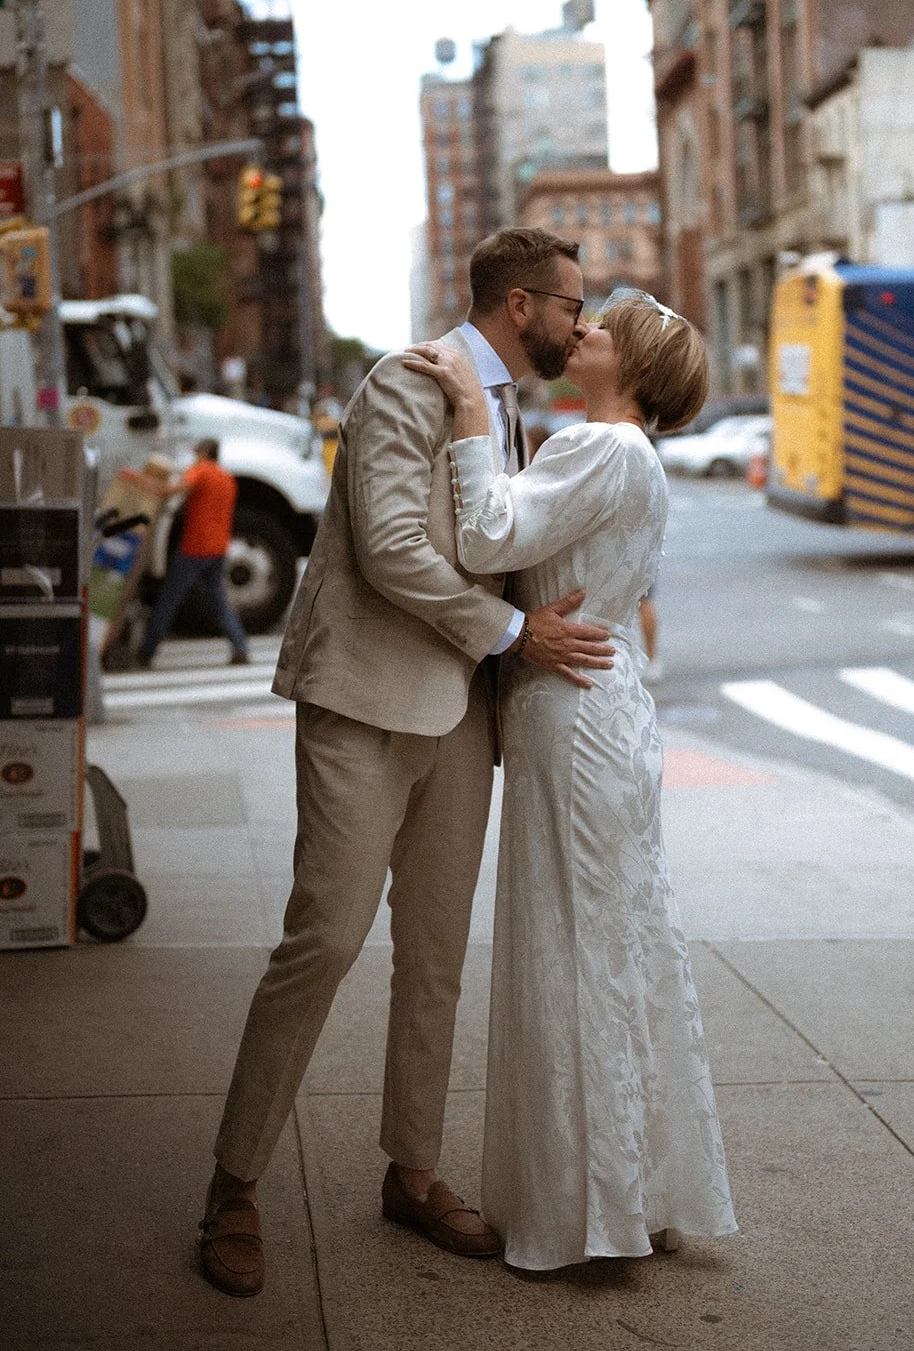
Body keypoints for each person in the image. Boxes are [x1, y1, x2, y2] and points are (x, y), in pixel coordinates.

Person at [198, 228, 614, 1296]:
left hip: (462, 719)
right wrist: (517, 636)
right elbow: (389, 548)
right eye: (571, 304)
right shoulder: (403, 382)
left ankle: (413, 1170)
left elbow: (493, 538)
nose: (580, 321)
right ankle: (234, 1184)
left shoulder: (509, 407)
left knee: (433, 958)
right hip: (364, 703)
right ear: (521, 306)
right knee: (323, 940)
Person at [404, 288, 737, 1271]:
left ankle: (593, 1207)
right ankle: (635, 1190)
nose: (583, 328)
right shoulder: (626, 454)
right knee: (618, 939)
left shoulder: (604, 446)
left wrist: (470, 416)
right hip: (603, 703)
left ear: (631, 367)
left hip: (576, 713)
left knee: (573, 943)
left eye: (605, 328)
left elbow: (487, 539)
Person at [133, 438, 249, 668]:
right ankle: (240, 646)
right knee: (218, 601)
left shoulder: (201, 471)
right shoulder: (227, 478)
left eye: (196, 452)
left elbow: (171, 492)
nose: (194, 456)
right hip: (218, 548)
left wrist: (140, 482)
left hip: (195, 547)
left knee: (169, 599)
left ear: (205, 452)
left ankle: (146, 651)